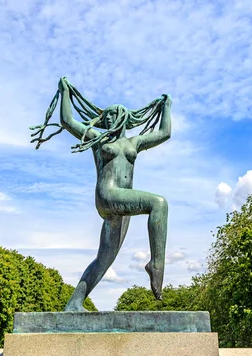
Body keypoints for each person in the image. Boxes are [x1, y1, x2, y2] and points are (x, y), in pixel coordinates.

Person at [30, 77, 172, 311]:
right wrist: (65, 91)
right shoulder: (98, 139)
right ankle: (156, 265)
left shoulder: (134, 142)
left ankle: (74, 303)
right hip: (108, 196)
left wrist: (167, 106)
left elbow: (165, 132)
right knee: (159, 204)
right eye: (106, 114)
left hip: (123, 206)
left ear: (124, 118)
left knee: (105, 259)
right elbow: (67, 121)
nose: (109, 116)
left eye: (114, 113)